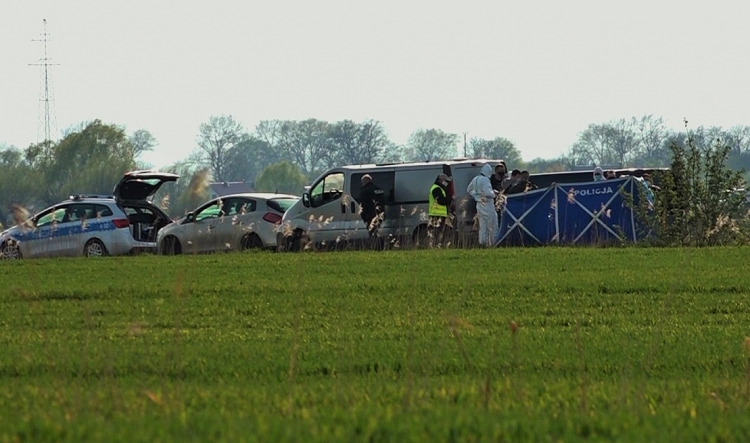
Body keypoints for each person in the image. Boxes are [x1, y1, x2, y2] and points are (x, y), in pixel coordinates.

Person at [467, 164, 498, 246]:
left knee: (483, 227)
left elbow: (469, 189)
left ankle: (482, 243)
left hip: (479, 205)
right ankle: (492, 243)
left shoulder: (475, 179)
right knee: (492, 226)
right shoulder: (485, 180)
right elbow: (488, 193)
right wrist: (494, 193)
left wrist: (476, 195)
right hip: (488, 205)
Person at [359, 174, 385, 244]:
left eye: (362, 182)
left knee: (372, 232)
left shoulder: (364, 191)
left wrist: (364, 217)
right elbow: (382, 202)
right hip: (380, 215)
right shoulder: (379, 189)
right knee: (377, 231)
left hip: (370, 215)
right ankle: (380, 245)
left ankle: (376, 246)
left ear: (365, 181)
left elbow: (364, 205)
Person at [428, 173, 452, 247]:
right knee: (436, 233)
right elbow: (441, 200)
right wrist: (449, 199)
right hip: (436, 214)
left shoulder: (440, 188)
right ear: (441, 180)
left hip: (439, 214)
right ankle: (435, 247)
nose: (446, 183)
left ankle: (437, 246)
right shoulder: (436, 189)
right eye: (445, 181)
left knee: (438, 233)